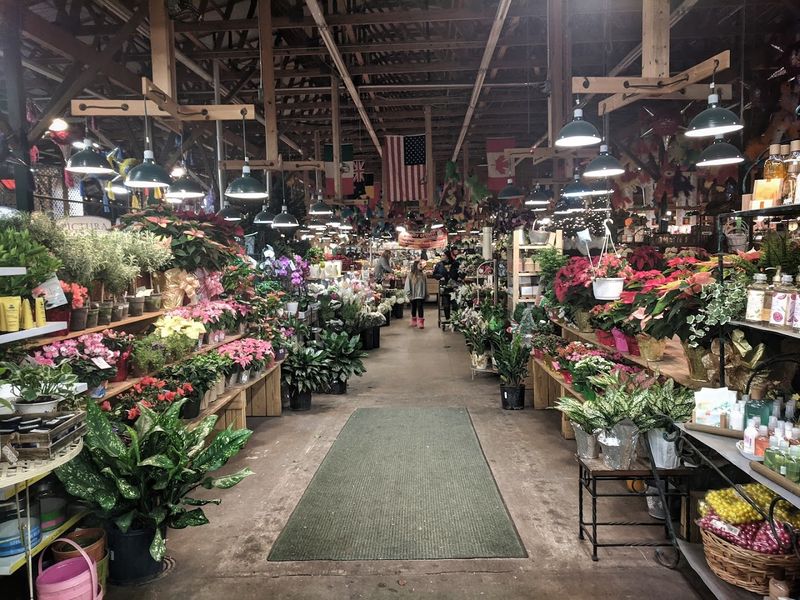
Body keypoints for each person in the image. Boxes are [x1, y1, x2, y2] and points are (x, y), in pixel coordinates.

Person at [432, 247, 460, 321]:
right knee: (446, 305)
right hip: (444, 288)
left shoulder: (455, 263)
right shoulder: (439, 265)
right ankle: (448, 319)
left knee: (455, 305)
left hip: (454, 288)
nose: (442, 257)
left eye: (443, 255)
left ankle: (455, 319)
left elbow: (459, 273)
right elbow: (434, 274)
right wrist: (440, 277)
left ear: (447, 256)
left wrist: (457, 276)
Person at [404, 260, 428, 329]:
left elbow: (425, 285)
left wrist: (426, 293)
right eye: (419, 264)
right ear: (415, 266)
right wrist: (409, 294)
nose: (421, 266)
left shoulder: (423, 275)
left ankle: (421, 322)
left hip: (420, 295)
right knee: (413, 307)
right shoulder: (410, 275)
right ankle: (413, 320)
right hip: (413, 295)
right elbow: (407, 285)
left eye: (421, 265)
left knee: (420, 307)